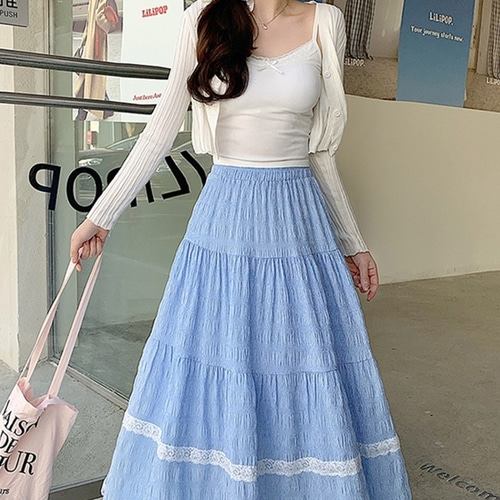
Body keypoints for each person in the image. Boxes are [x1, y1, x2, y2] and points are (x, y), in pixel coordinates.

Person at [70, 0, 412, 497]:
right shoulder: (204, 18)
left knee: (299, 359)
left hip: (298, 223)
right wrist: (101, 215)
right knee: (220, 357)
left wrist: (352, 242)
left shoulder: (326, 21)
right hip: (225, 221)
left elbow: (320, 150)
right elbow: (161, 130)